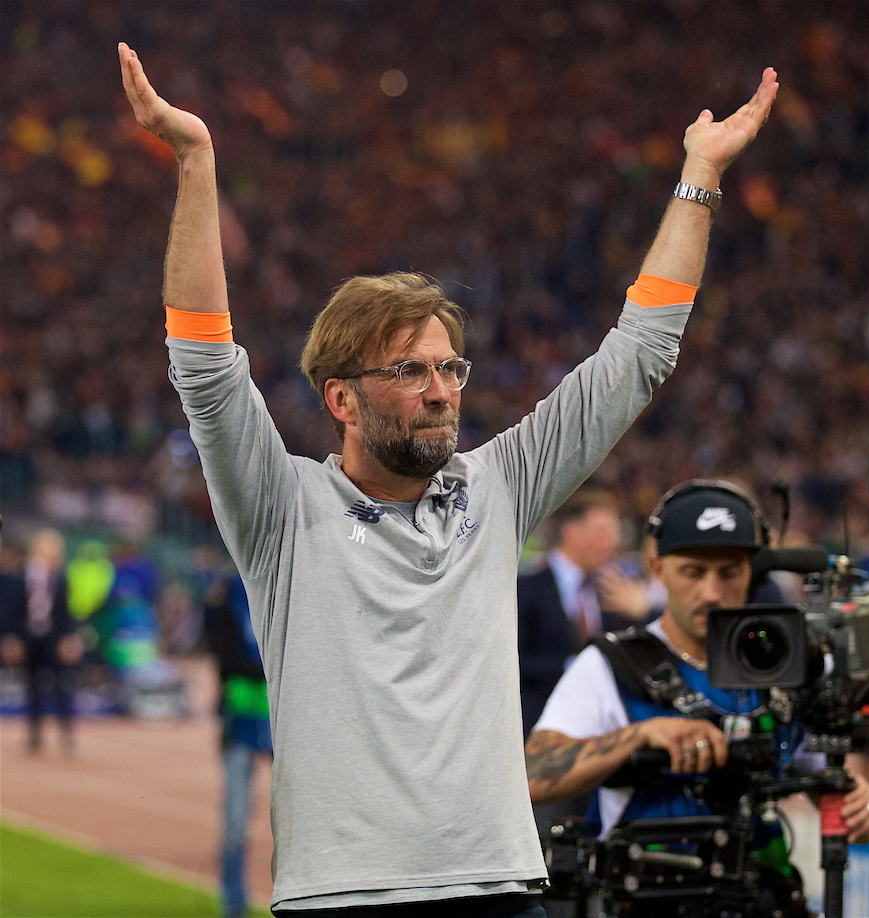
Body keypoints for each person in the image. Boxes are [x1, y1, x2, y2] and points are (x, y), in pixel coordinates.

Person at [119, 41, 778, 917]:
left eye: (449, 368)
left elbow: (639, 356)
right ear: (341, 399)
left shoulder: (497, 487)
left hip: (500, 885)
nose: (440, 391)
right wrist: (197, 163)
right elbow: (204, 367)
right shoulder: (282, 508)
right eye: (411, 372)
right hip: (343, 895)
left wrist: (698, 177)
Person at [525, 480, 869, 842]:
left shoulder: (780, 663)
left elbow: (831, 790)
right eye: (693, 573)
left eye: (729, 573)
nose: (711, 593)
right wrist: (640, 735)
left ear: (754, 575)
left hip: (761, 890)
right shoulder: (611, 663)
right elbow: (533, 775)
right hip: (643, 892)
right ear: (658, 569)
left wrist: (859, 809)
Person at [519, 489, 626, 738]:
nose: (611, 542)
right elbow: (514, 661)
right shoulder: (527, 589)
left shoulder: (610, 592)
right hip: (537, 729)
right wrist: (578, 667)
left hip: (593, 732)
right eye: (602, 532)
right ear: (571, 531)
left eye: (613, 533)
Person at [203, 573, 273, 918]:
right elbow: (220, 655)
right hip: (239, 717)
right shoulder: (222, 596)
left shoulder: (284, 583)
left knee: (305, 815)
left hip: (283, 716)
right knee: (235, 820)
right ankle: (232, 903)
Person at [0, 529, 83, 754]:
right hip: (28, 637)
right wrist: (11, 638)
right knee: (33, 686)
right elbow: (11, 610)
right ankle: (34, 734)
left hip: (53, 638)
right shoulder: (20, 575)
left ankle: (66, 734)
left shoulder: (61, 578)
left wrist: (68, 638)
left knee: (61, 685)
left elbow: (66, 613)